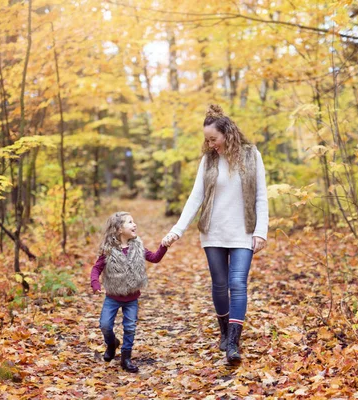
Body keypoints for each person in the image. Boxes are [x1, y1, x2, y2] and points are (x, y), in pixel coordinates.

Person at [162, 104, 268, 365]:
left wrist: (261, 231)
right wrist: (177, 230)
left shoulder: (252, 155)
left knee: (238, 284)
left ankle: (233, 342)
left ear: (227, 134)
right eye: (206, 140)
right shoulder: (208, 160)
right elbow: (195, 197)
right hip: (213, 231)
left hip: (243, 230)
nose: (210, 144)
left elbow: (261, 196)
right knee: (220, 285)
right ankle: (223, 330)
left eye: (213, 139)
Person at [91, 211, 168, 373]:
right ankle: (112, 344)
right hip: (112, 296)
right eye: (130, 222)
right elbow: (97, 268)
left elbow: (154, 258)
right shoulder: (108, 250)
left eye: (134, 222)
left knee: (130, 327)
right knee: (105, 325)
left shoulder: (138, 247)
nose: (135, 225)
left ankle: (126, 358)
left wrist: (164, 246)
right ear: (119, 229)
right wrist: (95, 283)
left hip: (132, 297)